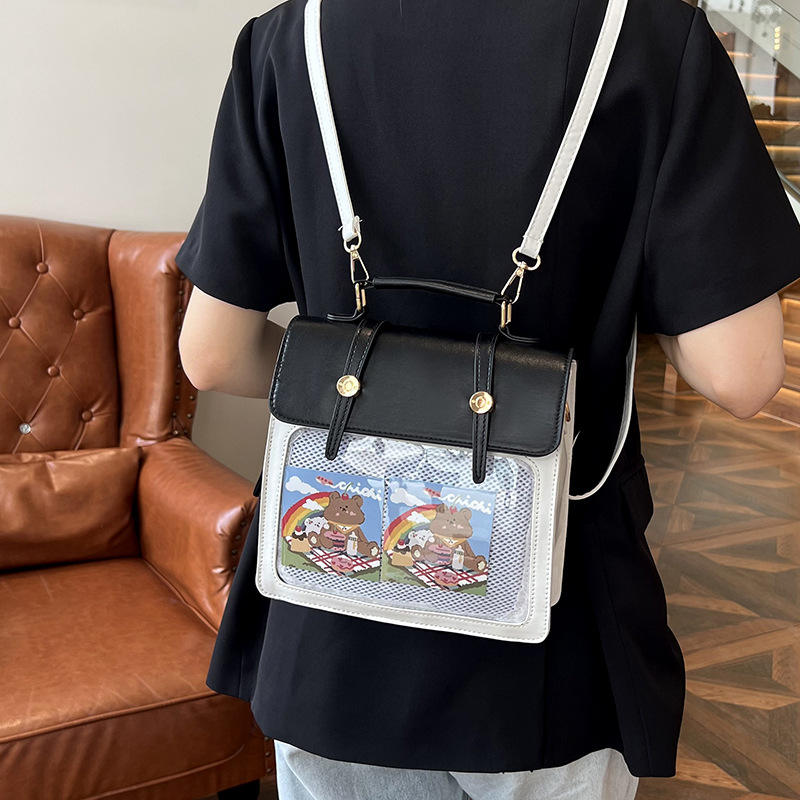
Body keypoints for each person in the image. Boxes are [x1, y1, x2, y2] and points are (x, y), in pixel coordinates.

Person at [176, 0, 800, 797]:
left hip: (331, 620)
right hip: (548, 638)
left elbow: (214, 353)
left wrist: (371, 390)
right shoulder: (648, 35)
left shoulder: (287, 36)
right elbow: (742, 374)